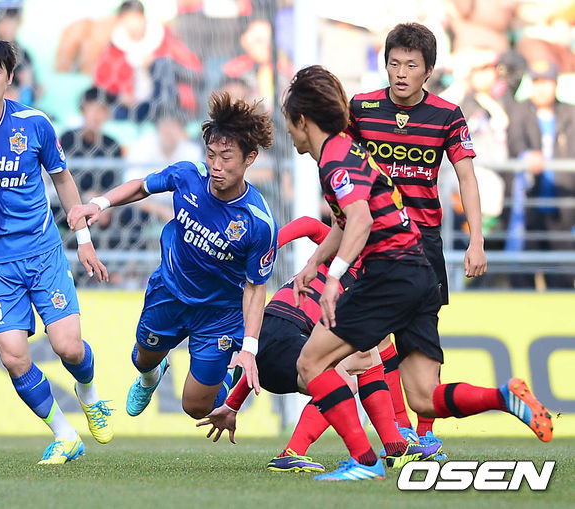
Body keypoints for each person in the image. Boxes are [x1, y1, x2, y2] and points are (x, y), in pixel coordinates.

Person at [282, 64, 552, 482]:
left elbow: (360, 220)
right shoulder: (348, 149)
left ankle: (364, 462)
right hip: (420, 272)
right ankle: (504, 397)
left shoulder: (334, 157)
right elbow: (347, 219)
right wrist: (313, 263)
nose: (289, 133)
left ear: (302, 121)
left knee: (310, 362)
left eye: (289, 123)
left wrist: (333, 278)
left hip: (390, 274)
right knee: (424, 398)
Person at [67, 91, 278, 423]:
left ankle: (222, 378)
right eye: (211, 155)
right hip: (169, 292)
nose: (216, 166)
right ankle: (151, 376)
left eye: (226, 158)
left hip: (219, 315)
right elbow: (142, 186)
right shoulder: (188, 175)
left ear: (250, 158)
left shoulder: (258, 222)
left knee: (195, 407)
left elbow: (255, 287)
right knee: (142, 359)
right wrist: (99, 204)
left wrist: (249, 349)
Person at [197, 216, 442, 471]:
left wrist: (233, 405)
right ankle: (292, 452)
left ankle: (396, 447)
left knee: (368, 358)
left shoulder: (362, 269)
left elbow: (265, 354)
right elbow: (309, 224)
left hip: (276, 345)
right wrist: (266, 249)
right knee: (344, 380)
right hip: (284, 337)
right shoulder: (351, 254)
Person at [346, 22, 487, 446]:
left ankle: (424, 438)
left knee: (421, 341)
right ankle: (397, 432)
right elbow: (342, 165)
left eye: (411, 65)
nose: (401, 73)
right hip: (372, 239)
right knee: (365, 341)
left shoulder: (447, 114)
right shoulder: (362, 108)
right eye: (394, 64)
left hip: (423, 243)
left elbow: (467, 176)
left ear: (428, 70)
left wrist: (476, 240)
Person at [0, 40, 113, 464]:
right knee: (13, 356)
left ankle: (89, 394)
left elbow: (62, 179)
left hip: (42, 253)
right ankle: (65, 435)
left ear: (10, 77)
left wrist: (83, 240)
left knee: (69, 348)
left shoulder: (34, 124)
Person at [505, 59, 575, 289]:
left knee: (563, 278)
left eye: (546, 82)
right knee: (522, 276)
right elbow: (515, 140)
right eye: (536, 82)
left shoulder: (569, 112)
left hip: (563, 206)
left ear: (556, 84)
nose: (541, 88)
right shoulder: (520, 109)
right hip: (528, 205)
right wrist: (526, 155)